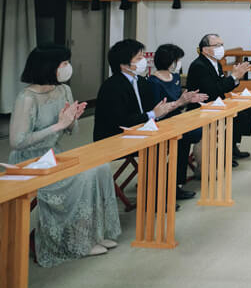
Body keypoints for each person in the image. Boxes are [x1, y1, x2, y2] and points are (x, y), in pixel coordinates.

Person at [10, 45, 122, 264]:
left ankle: (94, 233)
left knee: (99, 167)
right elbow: (18, 142)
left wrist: (71, 121)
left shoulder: (63, 90)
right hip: (30, 162)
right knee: (82, 177)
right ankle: (77, 241)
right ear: (48, 67)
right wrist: (57, 126)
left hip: (53, 155)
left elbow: (71, 132)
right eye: (63, 64)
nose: (67, 68)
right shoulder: (27, 98)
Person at [93, 39, 197, 142]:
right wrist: (153, 114)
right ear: (123, 65)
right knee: (174, 139)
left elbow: (150, 111)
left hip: (142, 128)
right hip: (116, 136)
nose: (144, 61)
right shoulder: (112, 87)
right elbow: (121, 121)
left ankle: (180, 159)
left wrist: (163, 110)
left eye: (143, 57)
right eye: (139, 58)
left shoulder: (141, 81)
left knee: (182, 133)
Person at [148, 43, 207, 199]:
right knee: (187, 137)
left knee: (193, 133)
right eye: (177, 60)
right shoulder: (153, 81)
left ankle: (177, 181)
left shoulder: (174, 77)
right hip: (161, 123)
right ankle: (172, 183)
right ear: (170, 60)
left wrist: (189, 99)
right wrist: (180, 102)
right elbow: (157, 110)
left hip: (176, 119)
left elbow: (178, 101)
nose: (179, 63)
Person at [185, 34, 251, 162]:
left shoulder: (216, 64)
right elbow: (213, 90)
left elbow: (223, 87)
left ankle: (233, 146)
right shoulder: (199, 66)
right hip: (202, 108)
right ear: (205, 49)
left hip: (216, 103)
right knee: (237, 115)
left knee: (249, 109)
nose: (221, 48)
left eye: (222, 45)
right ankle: (225, 152)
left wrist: (236, 78)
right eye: (217, 45)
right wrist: (233, 77)